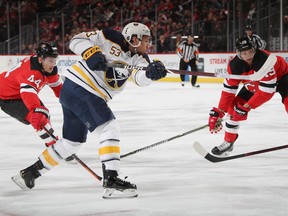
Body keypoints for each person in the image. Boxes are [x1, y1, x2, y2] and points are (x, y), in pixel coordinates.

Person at [11, 22, 167, 198]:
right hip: (81, 88)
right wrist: (91, 52)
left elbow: (139, 78)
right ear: (135, 39)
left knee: (71, 143)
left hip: (74, 93)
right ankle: (112, 179)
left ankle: (30, 174)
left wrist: (151, 73)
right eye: (147, 40)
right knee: (109, 127)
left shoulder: (140, 59)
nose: (149, 44)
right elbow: (76, 40)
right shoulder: (109, 36)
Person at [208, 36, 288, 156]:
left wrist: (248, 106)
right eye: (244, 53)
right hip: (256, 82)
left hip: (283, 78)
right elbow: (229, 90)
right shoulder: (234, 66)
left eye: (251, 51)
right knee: (233, 107)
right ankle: (229, 141)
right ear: (239, 53)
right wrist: (220, 111)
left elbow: (266, 92)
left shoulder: (265, 61)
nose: (249, 55)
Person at [0, 42, 62, 147]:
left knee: (43, 115)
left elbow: (59, 89)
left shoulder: (46, 67)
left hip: (15, 91)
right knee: (38, 116)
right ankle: (54, 146)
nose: (53, 64)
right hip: (6, 97)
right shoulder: (32, 73)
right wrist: (35, 111)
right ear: (40, 59)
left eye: (55, 60)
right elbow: (27, 94)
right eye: (51, 60)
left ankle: (54, 142)